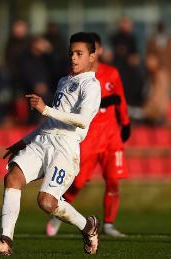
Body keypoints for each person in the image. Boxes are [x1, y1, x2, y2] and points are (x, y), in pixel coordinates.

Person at [0, 32, 101, 256]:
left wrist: (45, 109)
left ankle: (88, 226)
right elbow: (50, 120)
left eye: (80, 53)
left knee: (46, 203)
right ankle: (5, 242)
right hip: (43, 141)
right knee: (12, 176)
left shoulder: (91, 86)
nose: (73, 57)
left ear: (92, 56)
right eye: (71, 53)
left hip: (65, 147)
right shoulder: (64, 80)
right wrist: (24, 141)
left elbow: (83, 121)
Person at [46, 33, 131, 238]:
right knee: (78, 182)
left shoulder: (112, 73)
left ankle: (109, 224)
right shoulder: (79, 77)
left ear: (96, 51)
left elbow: (120, 99)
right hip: (90, 137)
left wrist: (125, 122)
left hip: (111, 137)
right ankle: (59, 213)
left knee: (113, 181)